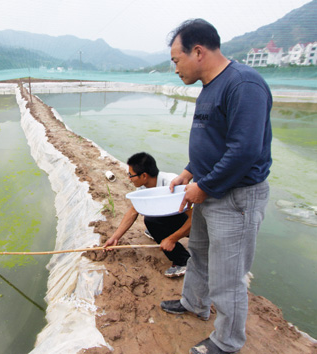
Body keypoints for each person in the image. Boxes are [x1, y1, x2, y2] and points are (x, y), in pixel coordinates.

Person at [160, 19, 272, 354]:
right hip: (209, 190)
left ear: (198, 52)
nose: (175, 69)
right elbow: (215, 141)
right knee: (201, 255)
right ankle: (195, 303)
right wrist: (189, 172)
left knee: (229, 275)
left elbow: (244, 150)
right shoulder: (210, 87)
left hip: (236, 197)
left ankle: (227, 341)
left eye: (176, 60)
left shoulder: (243, 85)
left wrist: (204, 186)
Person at [103, 152, 192, 277]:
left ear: (144, 175)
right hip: (176, 216)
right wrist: (115, 237)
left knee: (151, 221)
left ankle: (183, 261)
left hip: (198, 225)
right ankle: (159, 230)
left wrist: (172, 239)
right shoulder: (144, 187)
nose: (128, 178)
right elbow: (133, 212)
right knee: (152, 220)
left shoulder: (174, 184)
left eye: (130, 175)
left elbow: (195, 218)